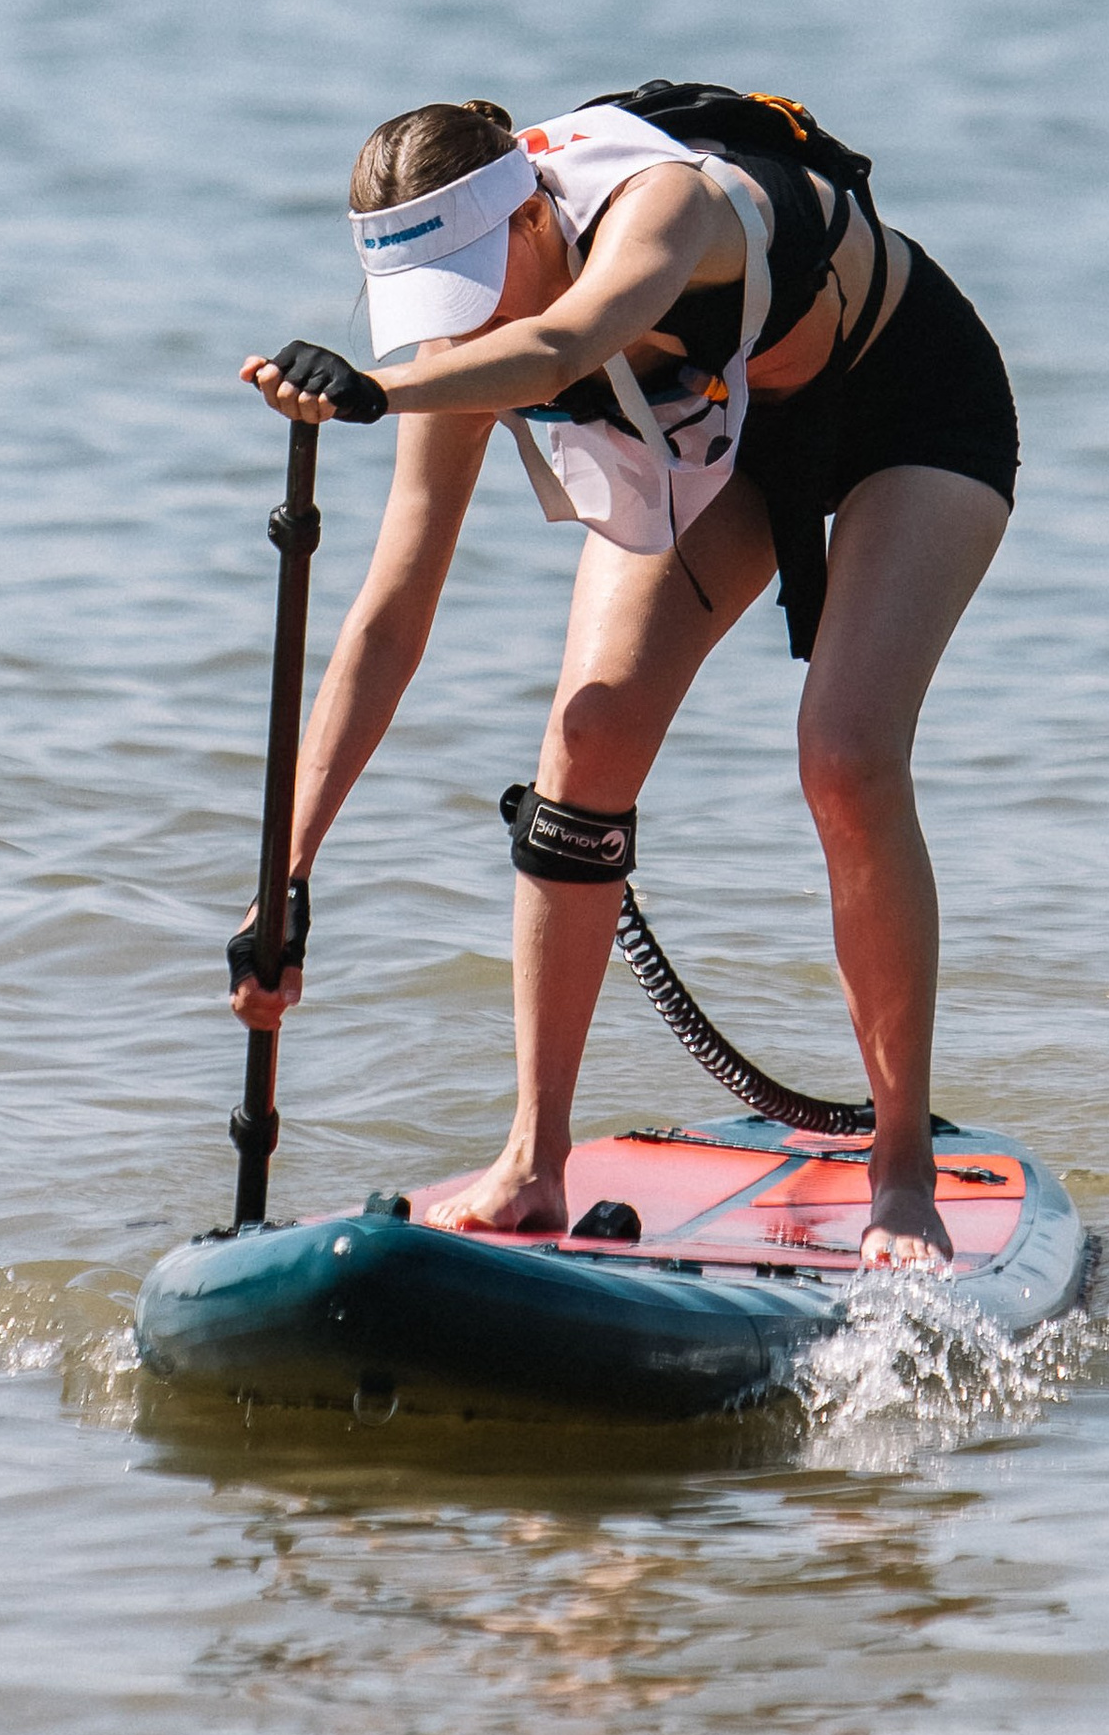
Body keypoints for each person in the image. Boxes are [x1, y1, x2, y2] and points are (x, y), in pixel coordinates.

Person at [232, 85, 1018, 1267]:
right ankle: (531, 1161)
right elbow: (390, 616)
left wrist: (374, 393)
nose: (460, 322)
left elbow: (562, 345)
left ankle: (900, 1171)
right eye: (433, 300)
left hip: (907, 402)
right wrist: (286, 875)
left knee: (845, 755)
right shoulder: (457, 345)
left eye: (472, 279)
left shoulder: (665, 207)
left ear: (531, 214)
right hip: (724, 437)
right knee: (587, 736)